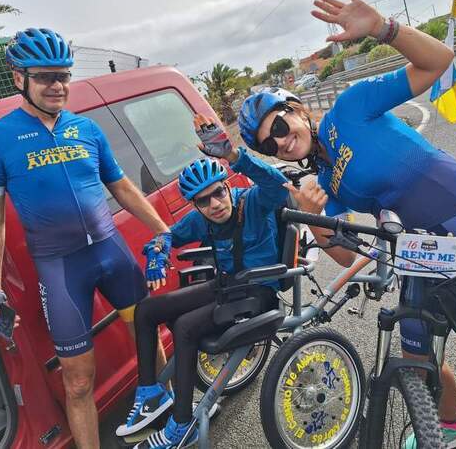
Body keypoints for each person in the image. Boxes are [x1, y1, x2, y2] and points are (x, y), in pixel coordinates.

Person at [238, 0, 456, 448]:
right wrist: (314, 220)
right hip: (420, 249)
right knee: (416, 350)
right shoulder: (322, 179)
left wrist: (382, 28)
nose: (279, 141)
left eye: (278, 125)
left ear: (296, 110)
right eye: (267, 144)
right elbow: (344, 253)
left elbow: (438, 61)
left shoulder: (349, 108)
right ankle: (452, 424)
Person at [0, 28, 171, 449]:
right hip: (62, 270)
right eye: (45, 77)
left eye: (63, 75)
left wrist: (162, 230)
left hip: (112, 254)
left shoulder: (86, 128)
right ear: (19, 78)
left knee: (148, 339)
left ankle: (171, 423)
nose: (58, 86)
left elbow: (122, 187)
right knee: (78, 382)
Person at [119, 113, 355, 449]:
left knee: (185, 327)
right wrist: (158, 247)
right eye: (203, 201)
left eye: (218, 193)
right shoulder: (201, 220)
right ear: (195, 205)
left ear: (227, 186)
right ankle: (151, 395)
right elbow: (169, 236)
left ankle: (181, 425)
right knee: (146, 310)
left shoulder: (254, 202)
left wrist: (233, 155)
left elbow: (276, 184)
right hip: (228, 287)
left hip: (259, 291)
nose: (214, 204)